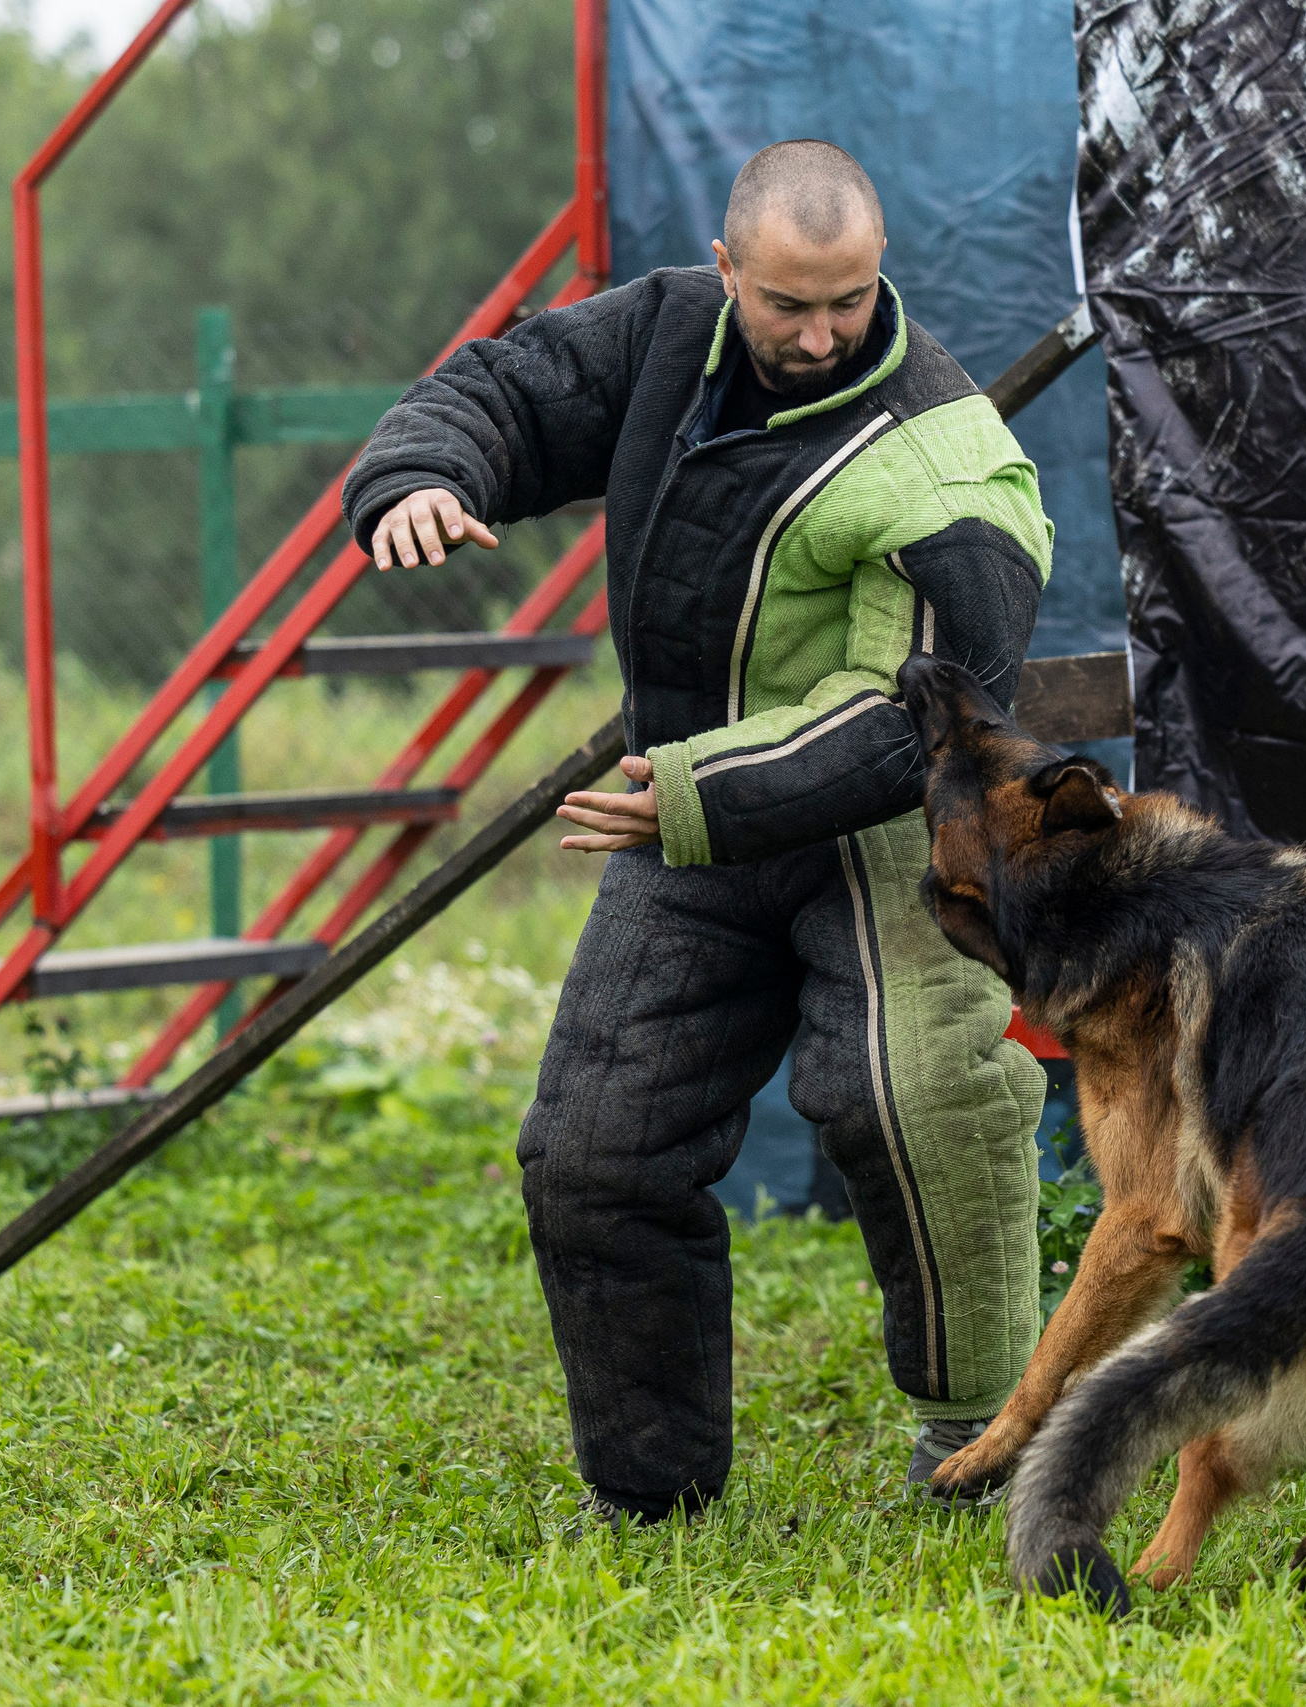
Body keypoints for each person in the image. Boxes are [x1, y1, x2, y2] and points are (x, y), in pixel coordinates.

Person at [344, 140, 1053, 1525]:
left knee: (918, 1104)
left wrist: (689, 792)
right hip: (684, 817)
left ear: (880, 261)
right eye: (789, 302)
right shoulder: (667, 332)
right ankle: (648, 1490)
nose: (820, 331)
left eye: (848, 299)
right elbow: (509, 389)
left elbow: (910, 712)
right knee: (594, 1150)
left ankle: (982, 1440)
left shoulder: (950, 463)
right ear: (730, 272)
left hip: (884, 829)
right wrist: (427, 474)